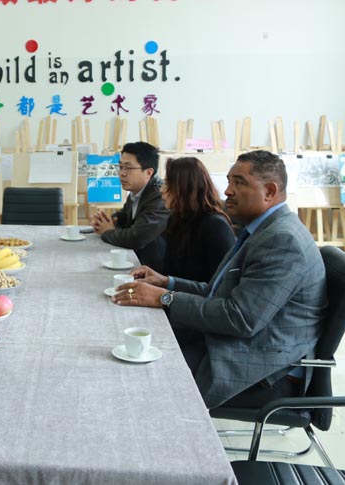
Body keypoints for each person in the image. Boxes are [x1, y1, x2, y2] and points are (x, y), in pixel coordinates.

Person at [114, 151, 327, 409]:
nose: (227, 191)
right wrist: (167, 283)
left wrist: (166, 299)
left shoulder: (282, 240)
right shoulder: (261, 230)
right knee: (134, 343)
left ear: (269, 191)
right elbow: (217, 291)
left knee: (141, 375)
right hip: (239, 344)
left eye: (239, 183)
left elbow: (240, 318)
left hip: (264, 370)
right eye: (228, 181)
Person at [91, 141, 170, 271]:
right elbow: (126, 216)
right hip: (138, 260)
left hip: (155, 270)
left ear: (148, 172)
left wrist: (107, 231)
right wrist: (112, 220)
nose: (122, 173)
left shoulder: (159, 196)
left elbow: (137, 238)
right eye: (120, 167)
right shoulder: (137, 190)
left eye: (128, 168)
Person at [160, 157, 235, 282]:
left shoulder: (215, 226)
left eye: (167, 184)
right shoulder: (176, 219)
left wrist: (165, 284)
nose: (161, 190)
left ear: (186, 188)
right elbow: (169, 273)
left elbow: (222, 285)